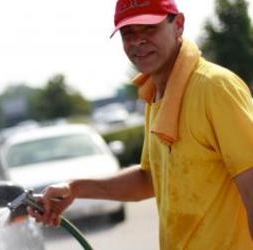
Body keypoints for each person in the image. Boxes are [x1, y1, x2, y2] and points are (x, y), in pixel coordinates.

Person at [28, 0, 253, 249]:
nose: (137, 41)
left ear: (178, 24)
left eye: (149, 29)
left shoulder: (213, 88)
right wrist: (75, 188)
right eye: (128, 33)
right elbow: (150, 179)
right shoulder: (156, 94)